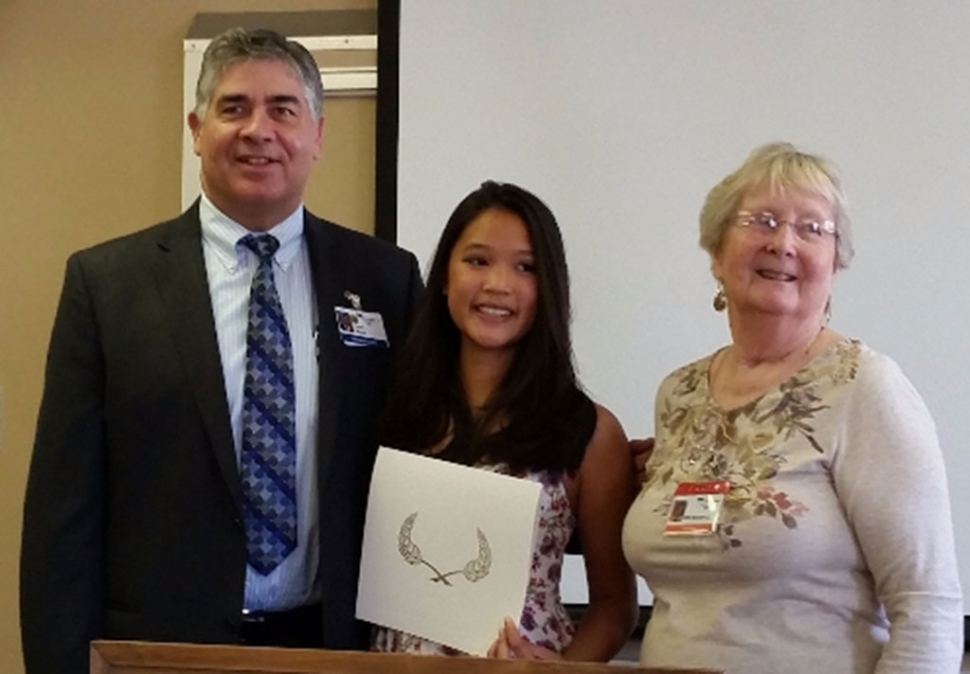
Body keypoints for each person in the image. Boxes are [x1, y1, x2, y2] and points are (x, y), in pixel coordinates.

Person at [20, 27, 421, 674]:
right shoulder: (107, 285)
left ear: (318, 135)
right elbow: (62, 513)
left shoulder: (385, 280)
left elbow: (435, 446)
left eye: (284, 110)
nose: (258, 129)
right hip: (160, 651)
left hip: (334, 649)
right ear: (197, 128)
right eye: (234, 107)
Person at [622, 142, 963, 673]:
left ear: (834, 264)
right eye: (762, 221)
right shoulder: (679, 393)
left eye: (812, 229)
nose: (783, 242)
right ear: (715, 252)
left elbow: (928, 610)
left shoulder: (864, 387)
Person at [371, 181, 638, 661]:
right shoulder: (392, 412)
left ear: (548, 287)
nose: (497, 284)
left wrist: (564, 673)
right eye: (477, 260)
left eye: (525, 267)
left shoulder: (590, 433)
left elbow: (615, 606)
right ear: (446, 277)